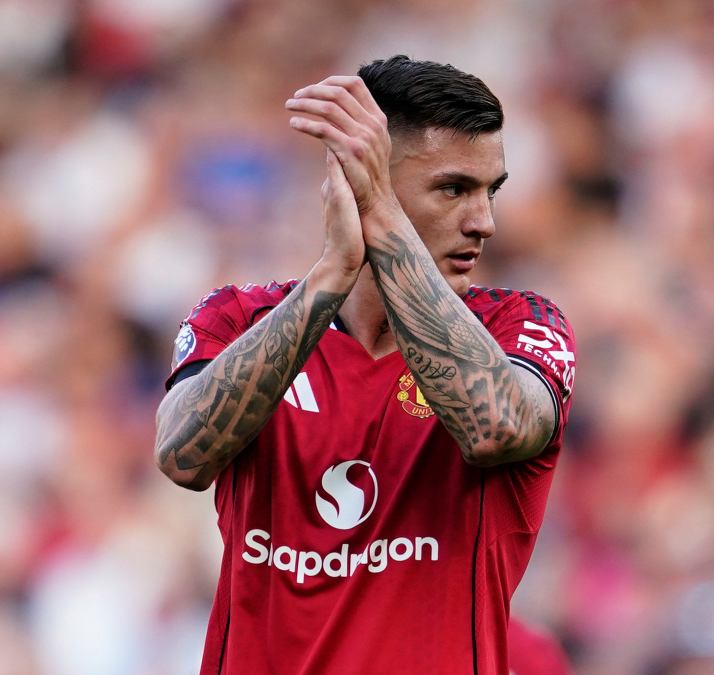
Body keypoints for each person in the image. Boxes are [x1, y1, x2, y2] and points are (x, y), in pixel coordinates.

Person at [154, 55, 577, 674]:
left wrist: (381, 217)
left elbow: (496, 427)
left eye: (492, 191)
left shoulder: (520, 326)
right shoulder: (240, 318)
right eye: (454, 188)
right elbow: (182, 455)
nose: (483, 221)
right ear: (360, 182)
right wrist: (330, 275)